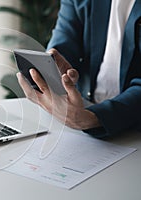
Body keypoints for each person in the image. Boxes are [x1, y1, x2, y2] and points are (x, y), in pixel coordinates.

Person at [17, 0, 141, 138]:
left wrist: (94, 117)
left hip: (131, 124)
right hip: (83, 115)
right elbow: (65, 38)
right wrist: (55, 67)